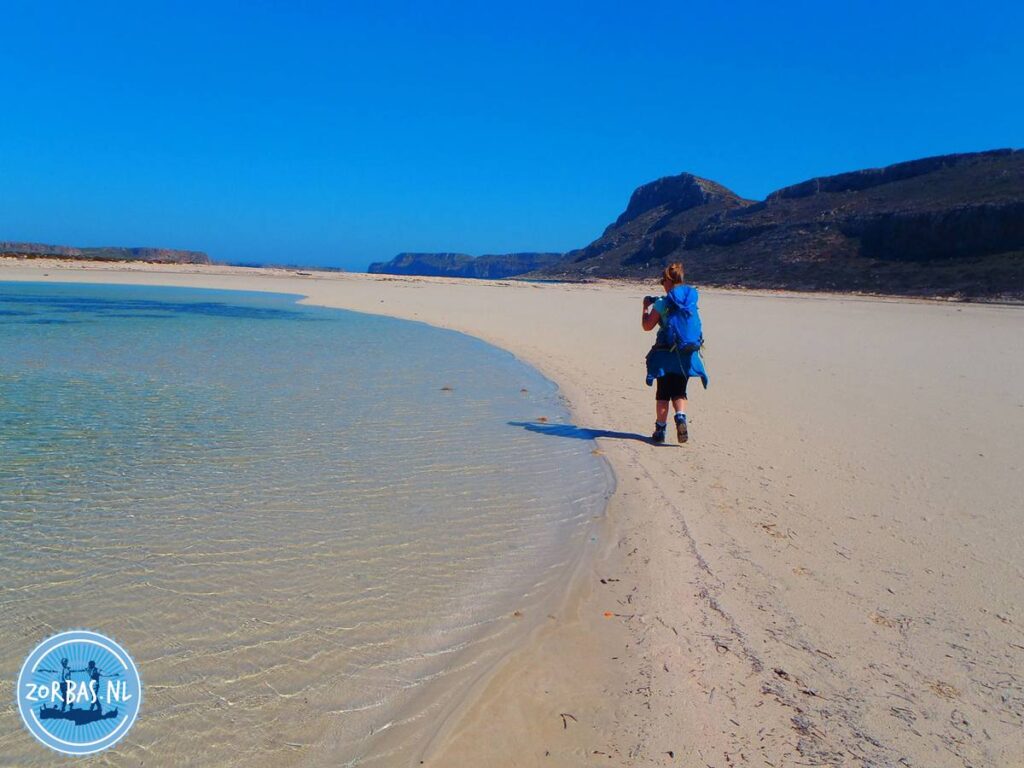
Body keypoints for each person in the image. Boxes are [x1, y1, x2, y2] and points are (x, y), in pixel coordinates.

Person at [641, 262, 707, 444]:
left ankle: (660, 430)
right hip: (686, 353)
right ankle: (680, 417)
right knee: (679, 391)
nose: (662, 284)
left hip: (665, 354)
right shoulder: (690, 300)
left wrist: (645, 308)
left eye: (663, 281)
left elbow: (647, 326)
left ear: (668, 281)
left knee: (663, 393)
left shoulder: (662, 303)